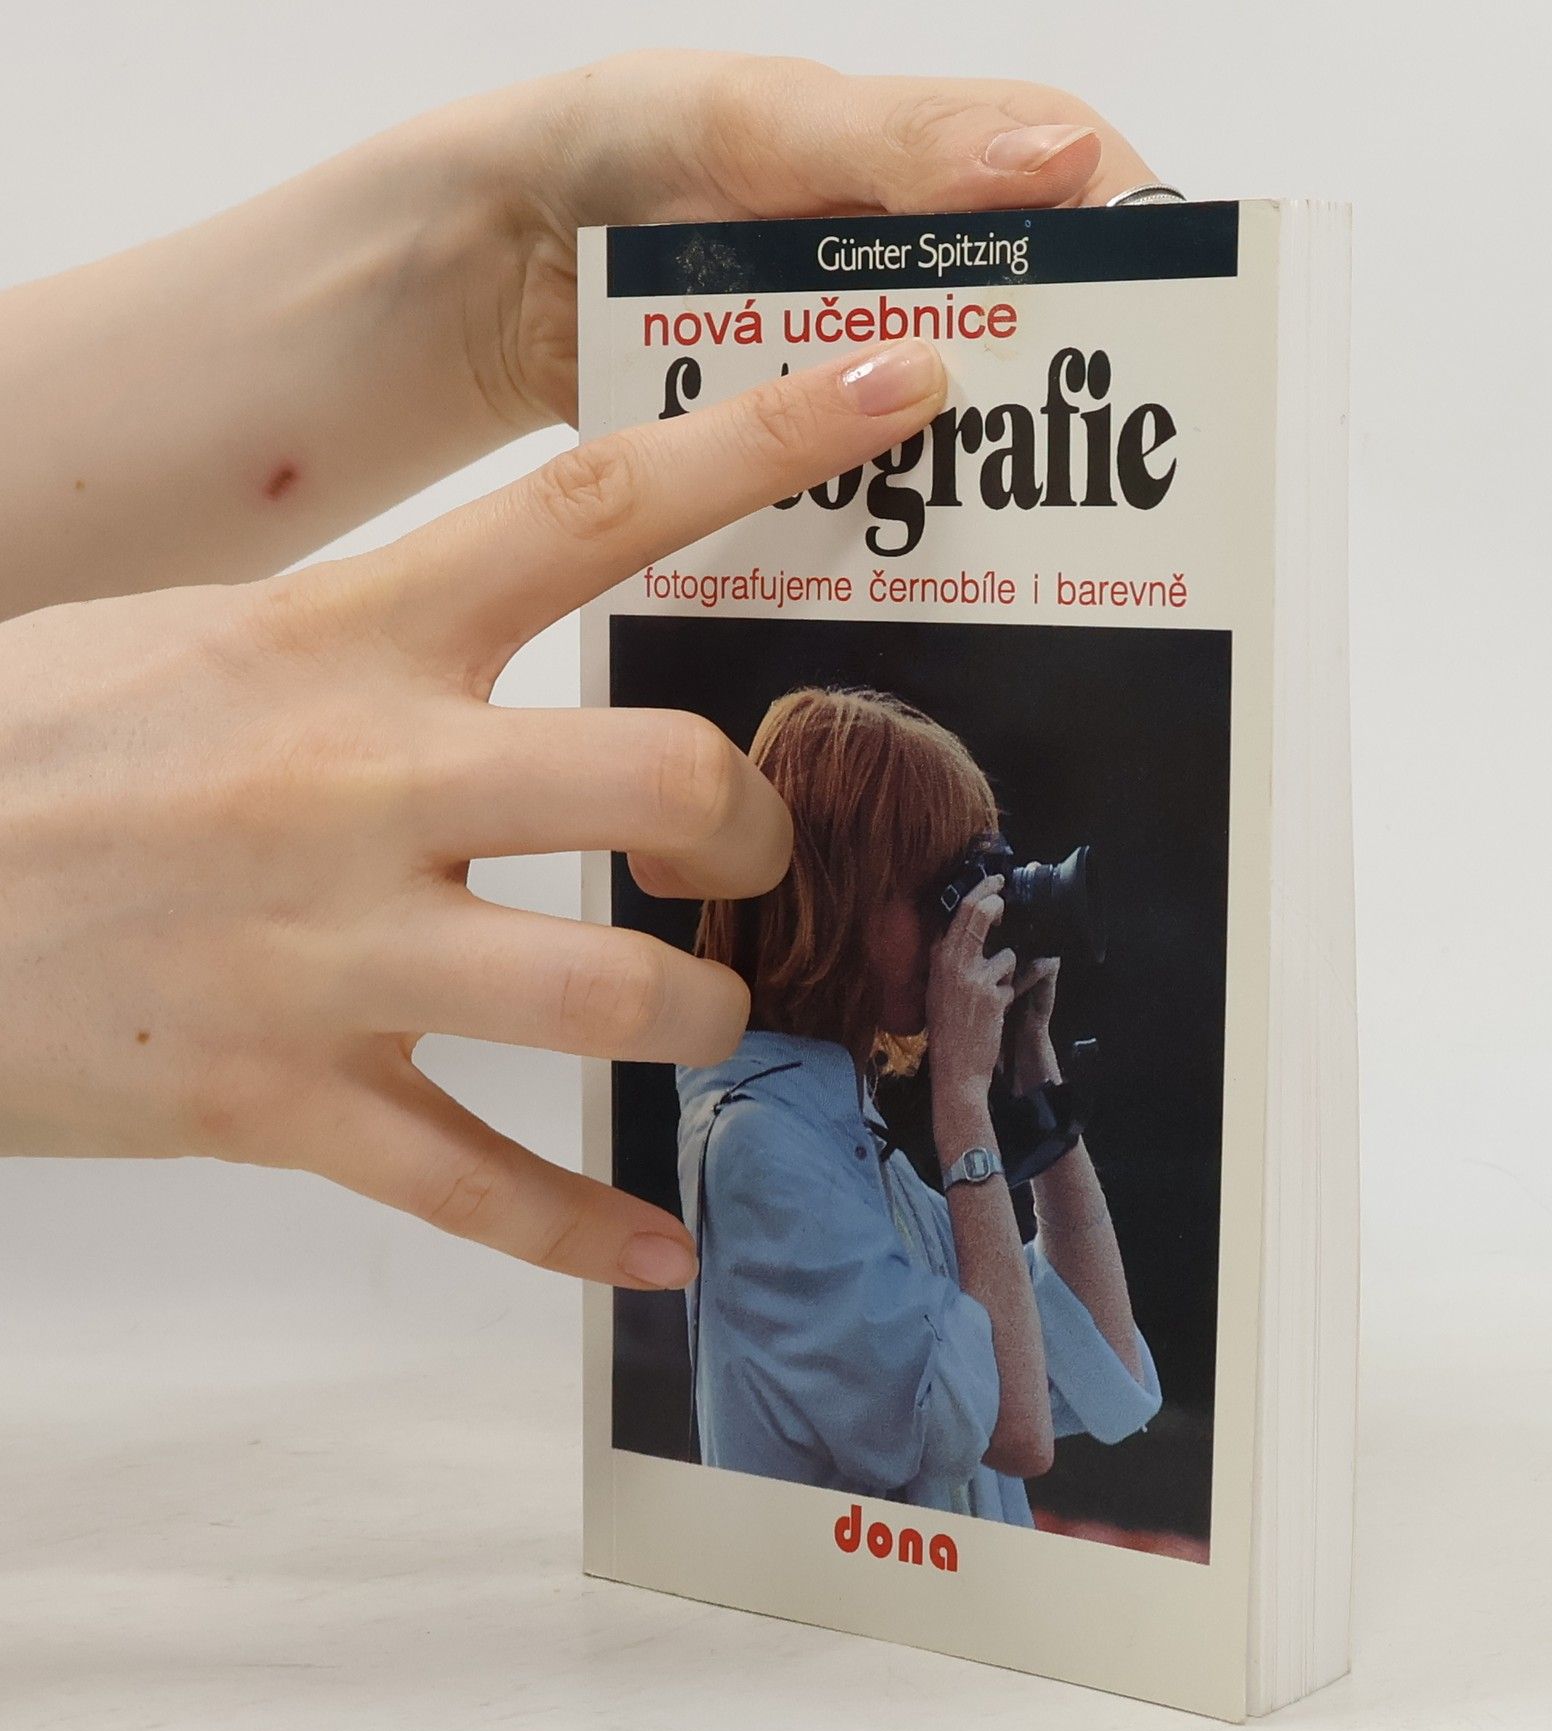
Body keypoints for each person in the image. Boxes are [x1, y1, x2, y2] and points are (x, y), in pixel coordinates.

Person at [0, 53, 1157, 1290]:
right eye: (940, 875)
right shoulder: (783, 1144)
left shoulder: (857, 1132)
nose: (979, 903)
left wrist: (516, 266)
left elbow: (1098, 1382)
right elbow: (1018, 1399)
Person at [678, 688, 1160, 1521]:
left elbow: (1105, 1362)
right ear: (836, 894)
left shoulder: (848, 1140)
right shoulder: (761, 1151)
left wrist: (1029, 1064)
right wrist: (961, 1098)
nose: (963, 921)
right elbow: (1016, 1433)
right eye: (940, 888)